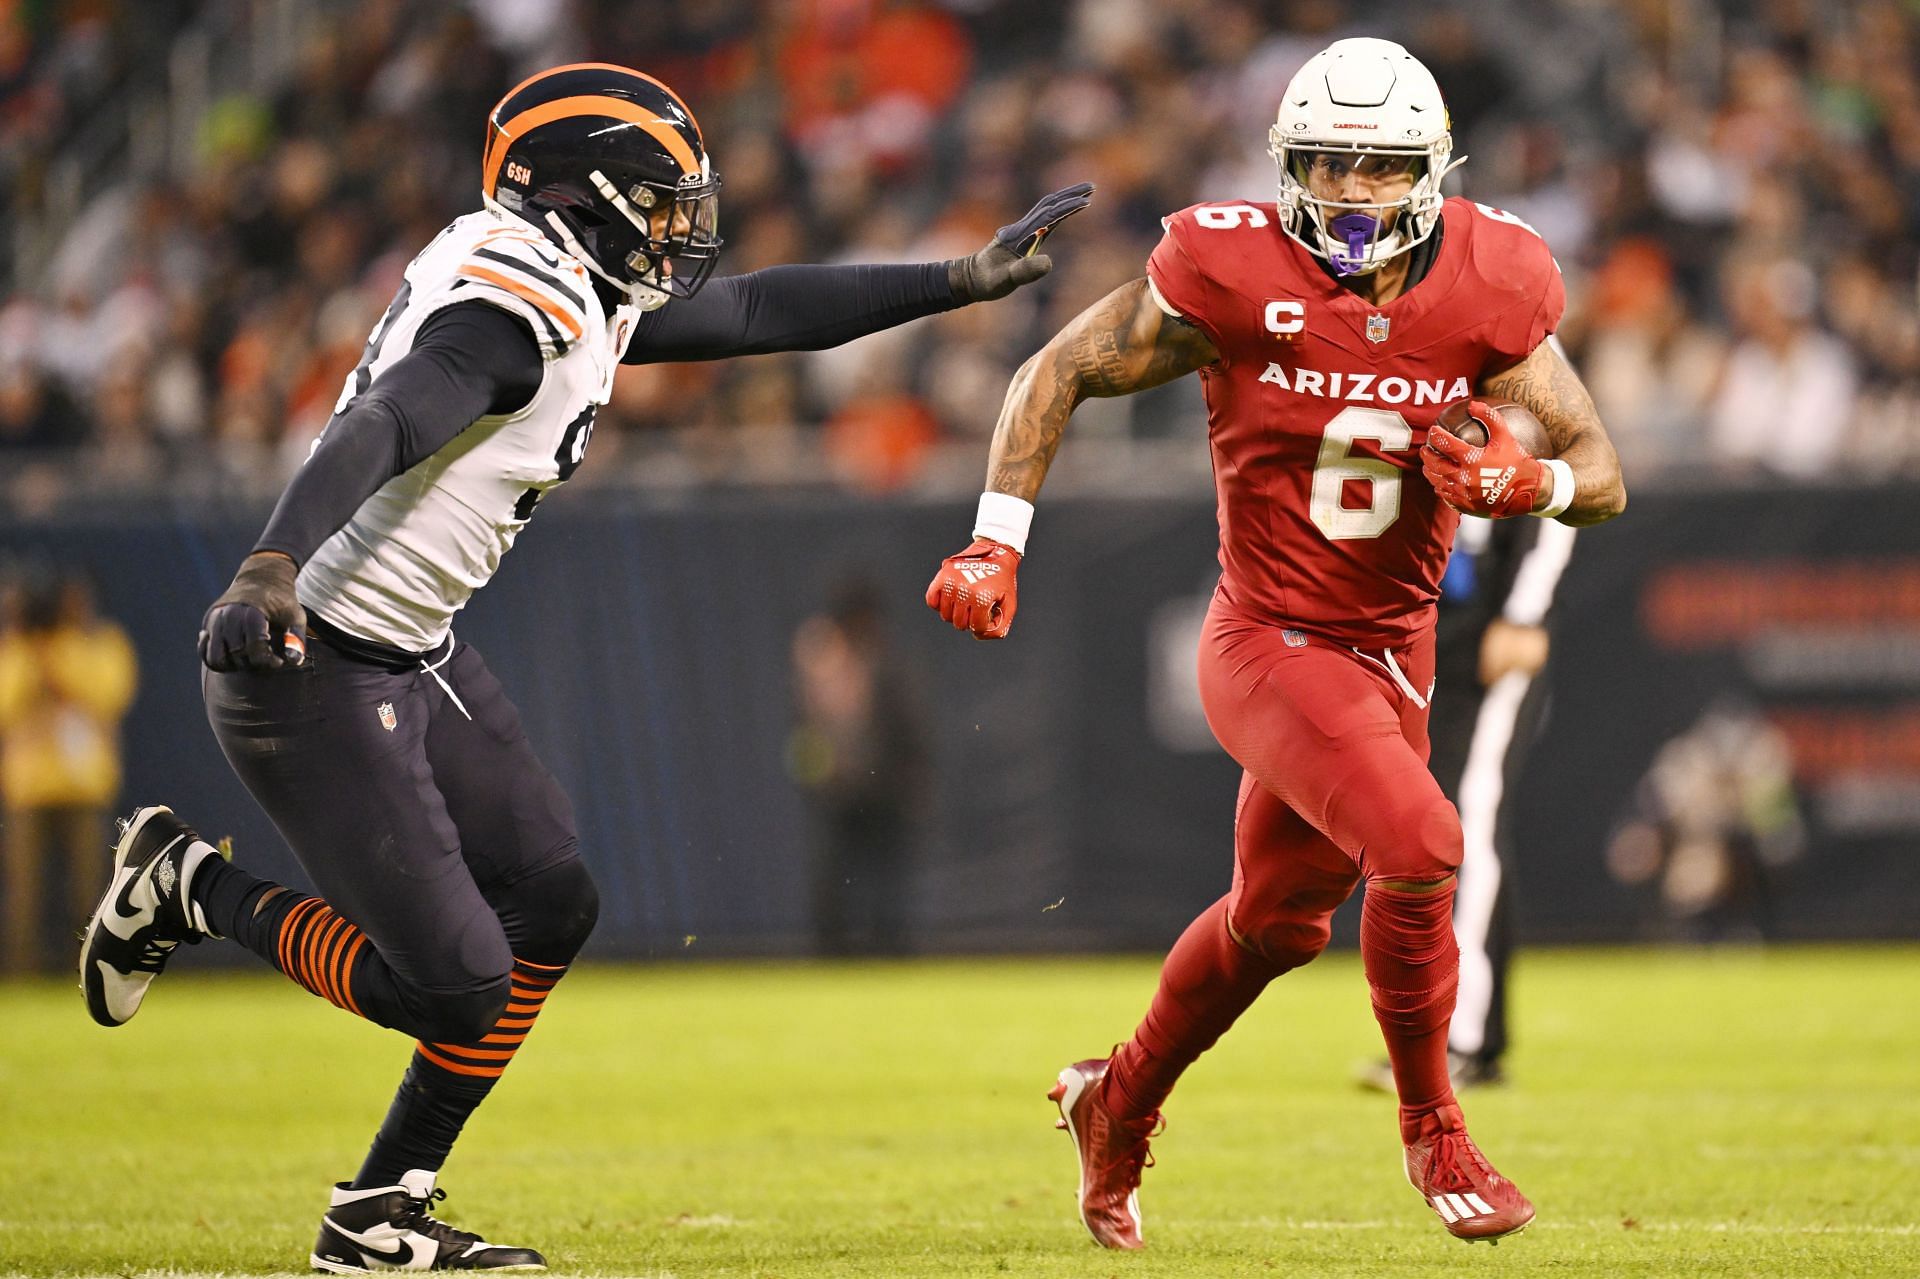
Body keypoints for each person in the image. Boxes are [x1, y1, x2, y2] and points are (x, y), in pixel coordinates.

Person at [78, 62, 1091, 1273]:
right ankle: (190, 890)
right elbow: (388, 419)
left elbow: (761, 311)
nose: (683, 227)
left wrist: (960, 279)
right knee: (453, 985)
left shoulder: (575, 282)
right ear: (583, 200)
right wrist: (269, 563)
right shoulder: (511, 317)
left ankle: (381, 1206)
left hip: (406, 649)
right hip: (313, 660)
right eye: (663, 201)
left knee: (552, 902)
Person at [926, 37, 1625, 1248]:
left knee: (1280, 922)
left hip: (1397, 649)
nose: (1353, 187)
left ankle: (1116, 1100)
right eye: (1328, 161)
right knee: (1421, 839)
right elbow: (1058, 371)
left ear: (1433, 170)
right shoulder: (1232, 270)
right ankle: (1434, 1124)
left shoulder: (1494, 282)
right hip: (1269, 636)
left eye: (1379, 164)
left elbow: (1605, 475)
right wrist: (998, 541)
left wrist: (1531, 480)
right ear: (1287, 162)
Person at [1358, 510, 1578, 1093]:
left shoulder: (1525, 416)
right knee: (1428, 824)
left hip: (1488, 630)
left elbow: (1562, 483)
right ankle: (1455, 1038)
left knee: (1468, 826)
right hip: (1428, 633)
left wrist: (1525, 614)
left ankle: (1464, 1037)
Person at [0, 566, 137, 973]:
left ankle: (91, 969)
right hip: (28, 787)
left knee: (87, 891)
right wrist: (26, 642)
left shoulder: (103, 644)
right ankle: (23, 971)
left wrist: (54, 661)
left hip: (84, 788)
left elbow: (108, 694)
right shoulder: (16, 650)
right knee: (25, 894)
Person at [789, 578, 927, 956]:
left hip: (883, 788)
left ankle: (888, 948)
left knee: (886, 879)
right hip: (840, 790)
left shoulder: (884, 659)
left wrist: (910, 781)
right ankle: (831, 951)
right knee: (834, 876)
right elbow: (807, 727)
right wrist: (819, 779)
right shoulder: (822, 653)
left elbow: (907, 727)